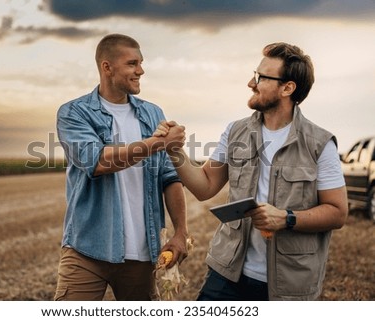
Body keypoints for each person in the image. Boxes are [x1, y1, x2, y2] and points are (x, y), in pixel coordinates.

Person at [155, 42, 348, 300]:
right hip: (228, 271)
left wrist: (287, 218)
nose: (250, 82)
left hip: (290, 283)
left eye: (260, 77)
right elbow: (204, 187)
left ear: (287, 88)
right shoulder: (235, 131)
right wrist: (174, 150)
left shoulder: (319, 144)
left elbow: (338, 212)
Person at [54, 34, 188, 301]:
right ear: (107, 67)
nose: (141, 70)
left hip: (142, 255)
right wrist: (156, 143)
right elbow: (99, 161)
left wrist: (181, 231)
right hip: (86, 250)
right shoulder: (74, 113)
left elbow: (169, 177)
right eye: (132, 63)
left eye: (141, 63)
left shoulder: (152, 113)